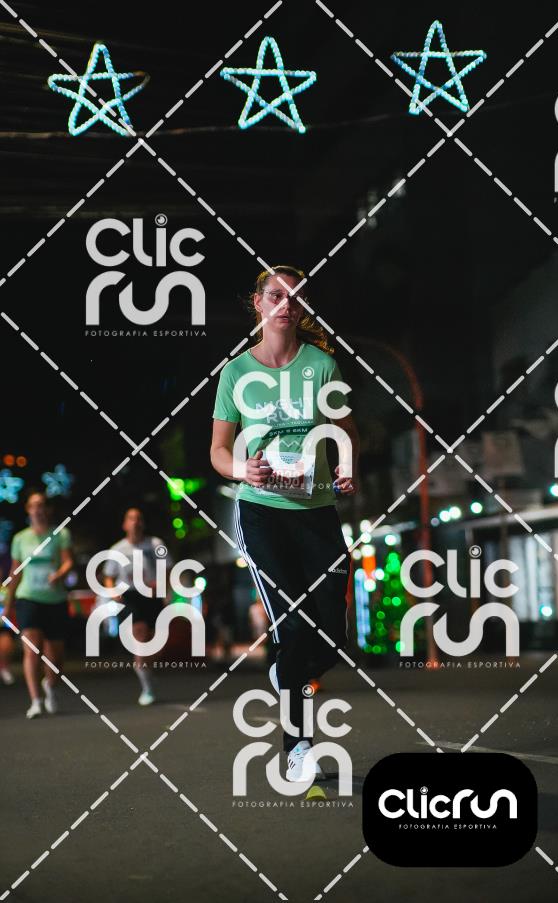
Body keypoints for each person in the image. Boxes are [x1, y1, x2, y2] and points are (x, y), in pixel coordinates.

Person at [211, 265, 360, 781]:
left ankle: (286, 672)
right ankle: (298, 748)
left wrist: (345, 467)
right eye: (276, 295)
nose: (285, 304)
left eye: (295, 297)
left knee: (333, 634)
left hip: (316, 513)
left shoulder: (322, 365)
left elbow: (345, 430)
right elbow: (218, 451)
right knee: (294, 626)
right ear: (258, 302)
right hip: (261, 514)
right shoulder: (235, 374)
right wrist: (242, 469)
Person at [2, 491, 73, 718]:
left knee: (56, 656)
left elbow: (68, 562)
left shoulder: (61, 534)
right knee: (32, 649)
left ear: (47, 509)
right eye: (33, 505)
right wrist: (8, 604)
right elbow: (15, 572)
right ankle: (35, 701)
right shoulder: (20, 539)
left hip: (55, 599)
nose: (38, 509)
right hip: (28, 598)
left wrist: (59, 574)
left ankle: (50, 685)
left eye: (41, 505)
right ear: (28, 510)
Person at [103, 508, 172, 706]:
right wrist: (113, 592)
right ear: (124, 524)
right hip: (130, 596)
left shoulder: (156, 544)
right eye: (131, 518)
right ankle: (147, 688)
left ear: (143, 523)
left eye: (139, 518)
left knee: (157, 644)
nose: (135, 522)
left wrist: (163, 586)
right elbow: (109, 576)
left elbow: (168, 569)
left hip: (152, 595)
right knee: (140, 637)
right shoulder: (117, 549)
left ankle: (147, 672)